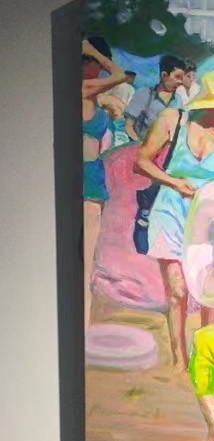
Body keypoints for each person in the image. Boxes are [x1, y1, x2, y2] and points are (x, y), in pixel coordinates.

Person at [136, 68, 214, 369]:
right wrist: (174, 182)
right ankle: (179, 359)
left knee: (209, 291)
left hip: (209, 217)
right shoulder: (172, 120)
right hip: (171, 211)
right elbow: (141, 161)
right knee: (178, 290)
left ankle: (204, 355)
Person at [81, 36, 130, 332]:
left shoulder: (91, 93)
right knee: (85, 266)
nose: (101, 69)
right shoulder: (84, 88)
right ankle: (82, 331)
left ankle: (82, 333)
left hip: (92, 177)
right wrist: (93, 51)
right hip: (88, 179)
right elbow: (120, 75)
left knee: (85, 264)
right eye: (96, 63)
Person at [124, 54, 187, 145]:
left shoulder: (178, 100)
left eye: (181, 78)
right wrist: (141, 146)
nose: (180, 82)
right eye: (177, 77)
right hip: (139, 146)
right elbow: (129, 126)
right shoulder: (145, 94)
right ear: (164, 75)